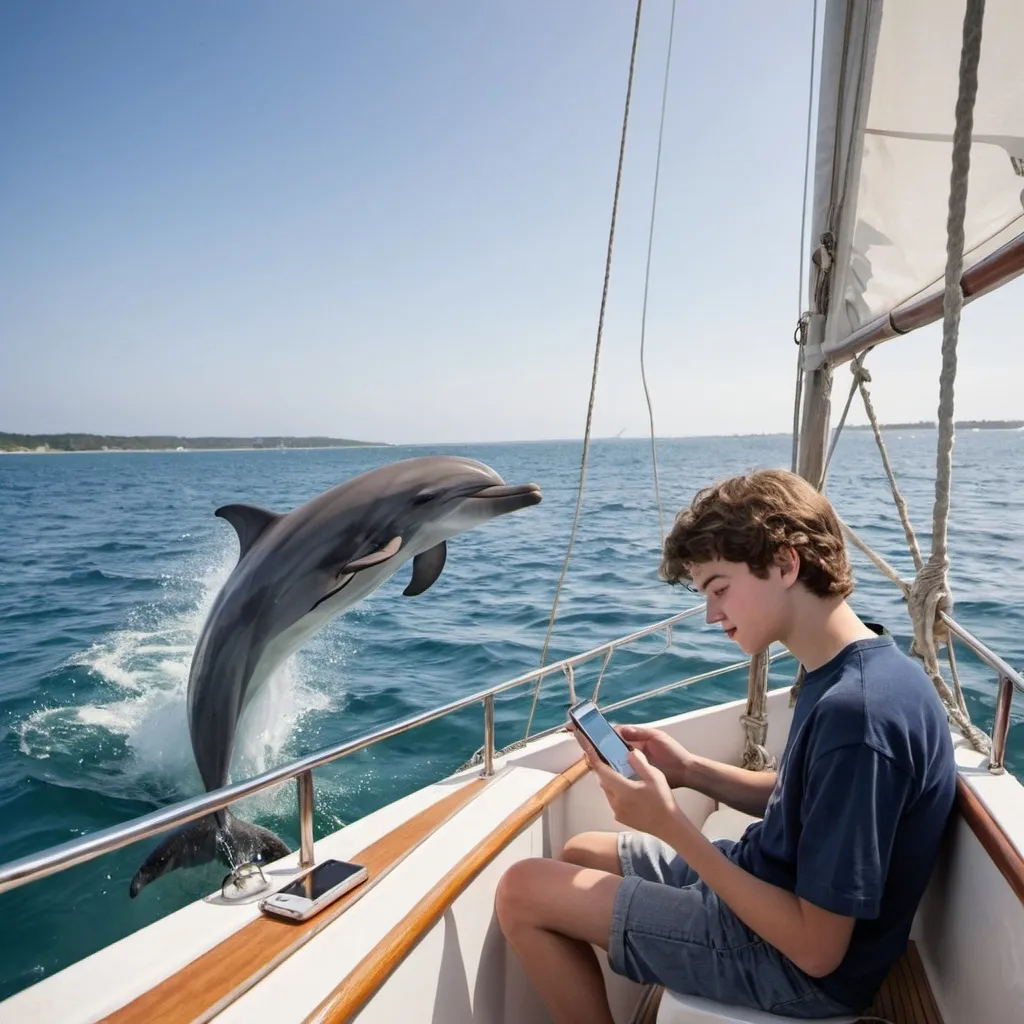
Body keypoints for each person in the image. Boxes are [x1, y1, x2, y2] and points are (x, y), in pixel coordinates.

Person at [495, 468, 956, 1023]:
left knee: (523, 890)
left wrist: (672, 827)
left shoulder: (857, 717)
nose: (711, 614)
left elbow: (817, 949)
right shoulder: (852, 669)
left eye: (719, 589)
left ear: (786, 564)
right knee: (581, 853)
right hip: (770, 883)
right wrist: (690, 770)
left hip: (797, 967)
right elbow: (807, 803)